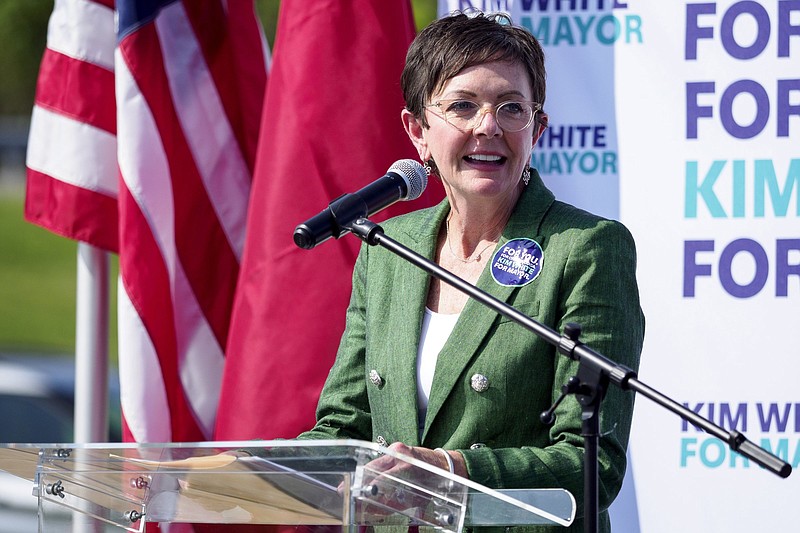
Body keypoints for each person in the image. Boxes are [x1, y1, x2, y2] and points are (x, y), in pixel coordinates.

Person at [296, 11, 645, 533]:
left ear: (538, 129)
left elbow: (592, 466)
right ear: (417, 130)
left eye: (511, 108)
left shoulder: (586, 249)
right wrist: (258, 468)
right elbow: (345, 426)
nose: (489, 126)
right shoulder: (388, 249)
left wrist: (454, 471)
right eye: (463, 106)